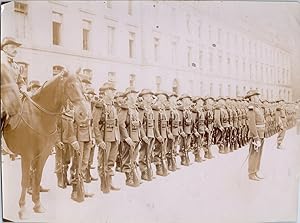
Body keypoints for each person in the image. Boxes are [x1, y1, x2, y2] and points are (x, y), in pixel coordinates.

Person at [93, 82, 120, 193]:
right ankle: (104, 185)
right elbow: (95, 124)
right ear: (105, 92)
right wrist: (99, 140)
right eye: (111, 91)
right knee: (103, 162)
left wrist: (117, 137)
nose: (113, 93)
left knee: (111, 161)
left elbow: (116, 123)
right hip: (105, 138)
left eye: (114, 91)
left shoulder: (113, 106)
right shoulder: (99, 106)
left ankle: (109, 182)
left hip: (114, 137)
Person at [118, 87, 142, 187]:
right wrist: (126, 137)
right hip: (129, 138)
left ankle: (134, 176)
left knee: (134, 157)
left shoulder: (135, 108)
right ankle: (129, 178)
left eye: (136, 94)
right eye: (133, 94)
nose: (135, 96)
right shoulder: (125, 108)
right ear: (128, 96)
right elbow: (121, 123)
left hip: (136, 137)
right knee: (127, 158)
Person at [245, 90, 265, 181]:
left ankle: (255, 171)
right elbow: (252, 124)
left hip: (261, 134)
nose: (258, 98)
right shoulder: (251, 108)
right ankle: (251, 173)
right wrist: (256, 137)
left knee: (258, 154)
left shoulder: (257, 108)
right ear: (252, 97)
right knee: (254, 153)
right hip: (255, 134)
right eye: (257, 96)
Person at [138, 89, 156, 181]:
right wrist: (143, 135)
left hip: (151, 133)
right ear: (143, 97)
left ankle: (149, 170)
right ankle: (143, 171)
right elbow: (139, 124)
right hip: (145, 134)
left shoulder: (150, 108)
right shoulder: (141, 109)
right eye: (148, 96)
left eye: (150, 96)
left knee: (149, 153)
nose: (150, 98)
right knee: (143, 153)